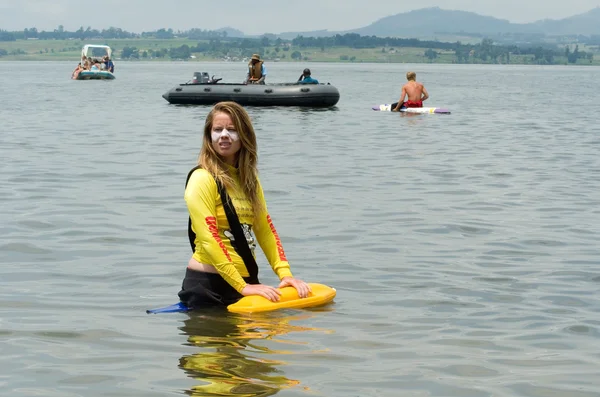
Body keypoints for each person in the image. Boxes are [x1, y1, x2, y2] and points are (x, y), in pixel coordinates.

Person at [178, 101, 310, 309]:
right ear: (208, 135)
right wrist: (242, 286)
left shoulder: (250, 181)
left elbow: (265, 230)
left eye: (232, 130)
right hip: (209, 287)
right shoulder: (202, 178)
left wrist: (285, 274)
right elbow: (207, 237)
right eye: (217, 129)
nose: (223, 135)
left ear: (245, 136)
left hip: (244, 285)